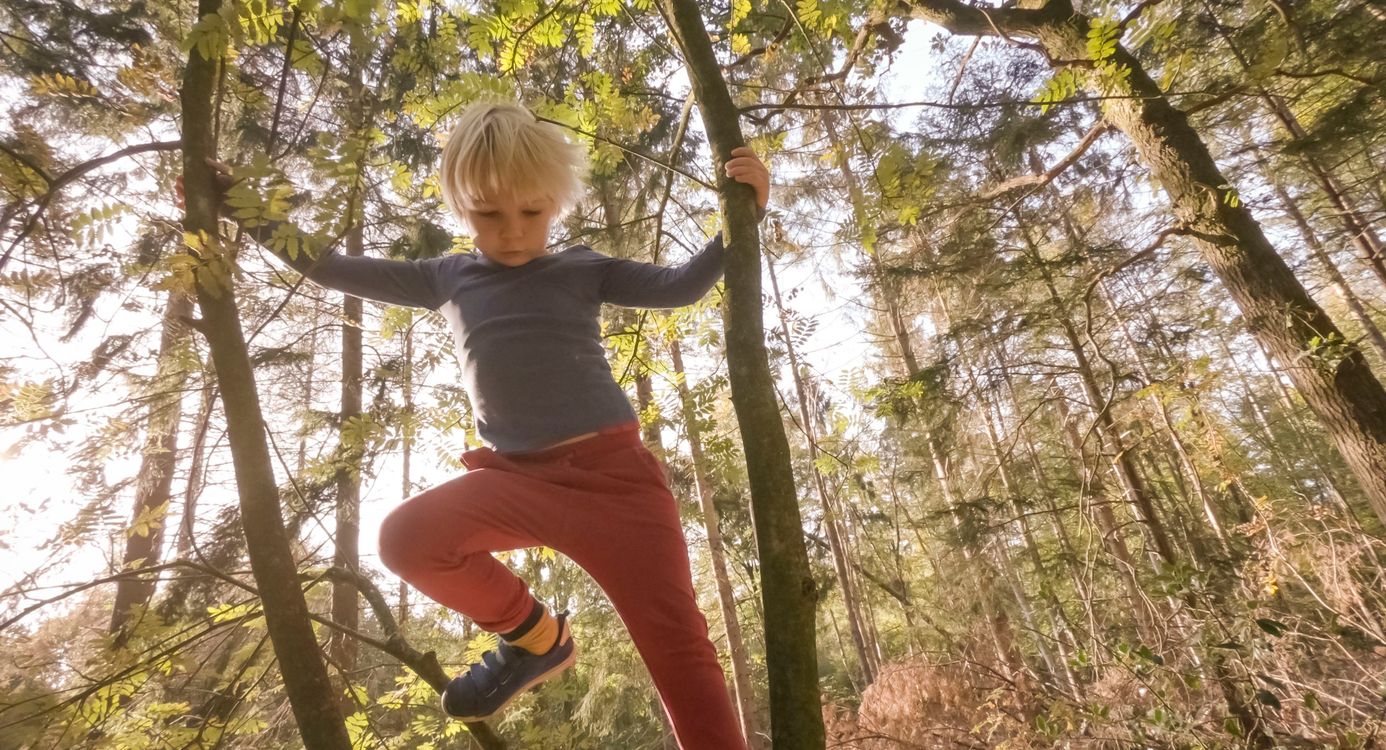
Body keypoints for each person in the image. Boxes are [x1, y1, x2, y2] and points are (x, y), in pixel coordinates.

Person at [189, 100, 768, 748]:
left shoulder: (584, 268)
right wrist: (235, 201)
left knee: (680, 655)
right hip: (516, 480)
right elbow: (325, 268)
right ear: (463, 211)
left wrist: (741, 213)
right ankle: (537, 638)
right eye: (490, 215)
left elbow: (683, 286)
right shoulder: (449, 276)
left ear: (555, 203)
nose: (513, 231)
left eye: (531, 213)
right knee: (406, 539)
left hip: (618, 486)